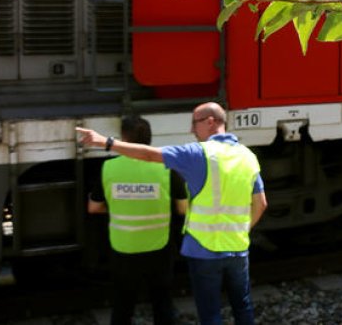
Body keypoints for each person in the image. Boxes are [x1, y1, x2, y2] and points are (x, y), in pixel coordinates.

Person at [77, 102, 267, 325]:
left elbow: (149, 155)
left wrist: (106, 143)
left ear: (210, 122)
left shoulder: (196, 153)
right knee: (242, 306)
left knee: (210, 312)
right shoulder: (248, 156)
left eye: (194, 123)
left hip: (200, 249)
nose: (191, 130)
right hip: (236, 247)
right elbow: (261, 203)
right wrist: (242, 231)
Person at [87, 116, 188, 325]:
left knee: (123, 305)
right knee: (162, 304)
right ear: (150, 139)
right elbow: (183, 208)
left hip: (123, 248)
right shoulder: (167, 168)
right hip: (158, 247)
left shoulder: (109, 168)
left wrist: (118, 205)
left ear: (123, 138)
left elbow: (94, 207)